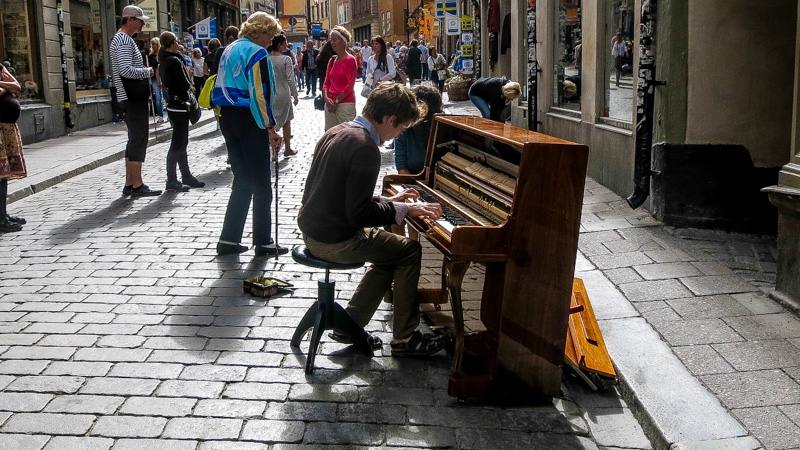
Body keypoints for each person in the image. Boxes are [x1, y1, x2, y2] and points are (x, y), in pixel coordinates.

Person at [297, 83, 448, 357]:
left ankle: (351, 323)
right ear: (390, 120)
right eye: (401, 128)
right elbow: (360, 214)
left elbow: (351, 198)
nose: (397, 135)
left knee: (390, 252)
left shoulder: (338, 131)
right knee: (409, 251)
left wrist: (392, 202)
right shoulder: (365, 147)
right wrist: (403, 210)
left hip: (315, 230)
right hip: (334, 239)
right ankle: (405, 338)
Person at [212, 11, 286, 257]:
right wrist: (270, 127)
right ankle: (263, 241)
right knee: (262, 183)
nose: (271, 40)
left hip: (228, 117)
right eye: (270, 35)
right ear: (261, 31)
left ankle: (229, 239)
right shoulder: (257, 53)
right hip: (248, 117)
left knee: (242, 180)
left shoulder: (229, 48)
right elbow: (260, 93)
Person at [110, 5, 161, 197]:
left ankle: (130, 183)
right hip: (132, 96)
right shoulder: (123, 40)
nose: (143, 23)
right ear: (130, 19)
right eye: (140, 20)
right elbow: (125, 70)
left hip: (128, 97)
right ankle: (137, 184)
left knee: (134, 139)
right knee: (139, 139)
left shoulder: (122, 38)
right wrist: (147, 71)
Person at [158, 31, 204, 193]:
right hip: (180, 107)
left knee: (181, 142)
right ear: (171, 44)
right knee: (178, 144)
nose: (178, 44)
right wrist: (189, 74)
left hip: (173, 105)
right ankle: (172, 179)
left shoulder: (164, 61)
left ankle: (186, 176)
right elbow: (185, 85)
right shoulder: (174, 61)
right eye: (176, 41)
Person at [0, 62, 26, 232]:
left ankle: (3, 214)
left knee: (4, 176)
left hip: (6, 129)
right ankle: (1, 220)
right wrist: (4, 87)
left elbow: (16, 85)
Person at [268, 34, 299, 156]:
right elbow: (290, 79)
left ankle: (274, 151)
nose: (287, 45)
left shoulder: (267, 58)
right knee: (287, 121)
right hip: (284, 93)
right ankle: (287, 148)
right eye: (285, 43)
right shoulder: (286, 59)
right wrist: (295, 94)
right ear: (279, 44)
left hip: (271, 94)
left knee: (272, 122)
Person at [322, 26, 358, 130]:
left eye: (335, 40)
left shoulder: (350, 60)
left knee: (347, 136)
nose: (332, 42)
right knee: (330, 135)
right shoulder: (332, 61)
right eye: (331, 40)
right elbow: (326, 82)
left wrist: (336, 101)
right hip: (330, 104)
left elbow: (349, 85)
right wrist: (326, 99)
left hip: (345, 104)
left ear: (344, 42)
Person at [148, 38, 165, 124]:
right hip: (154, 78)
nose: (153, 46)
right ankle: (161, 115)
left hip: (164, 77)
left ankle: (169, 115)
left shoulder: (162, 54)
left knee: (166, 97)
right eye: (152, 44)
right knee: (158, 97)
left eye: (155, 44)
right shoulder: (150, 56)